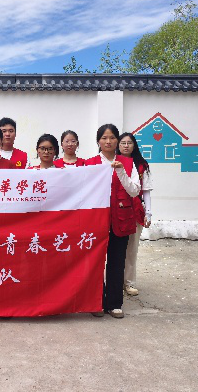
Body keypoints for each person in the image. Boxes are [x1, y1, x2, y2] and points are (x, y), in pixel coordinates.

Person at [85, 124, 140, 319]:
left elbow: (134, 191)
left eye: (112, 138)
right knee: (95, 262)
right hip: (96, 221)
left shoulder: (128, 163)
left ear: (117, 140)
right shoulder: (91, 164)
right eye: (104, 138)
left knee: (117, 261)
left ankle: (115, 303)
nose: (108, 142)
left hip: (121, 219)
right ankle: (97, 302)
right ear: (98, 141)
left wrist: (121, 172)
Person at [117, 132, 153, 296]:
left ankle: (129, 282)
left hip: (135, 209)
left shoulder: (141, 165)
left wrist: (149, 212)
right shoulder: (112, 162)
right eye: (123, 143)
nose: (126, 146)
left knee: (132, 248)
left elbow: (146, 191)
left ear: (134, 145)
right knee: (115, 248)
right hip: (115, 209)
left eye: (129, 143)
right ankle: (114, 281)